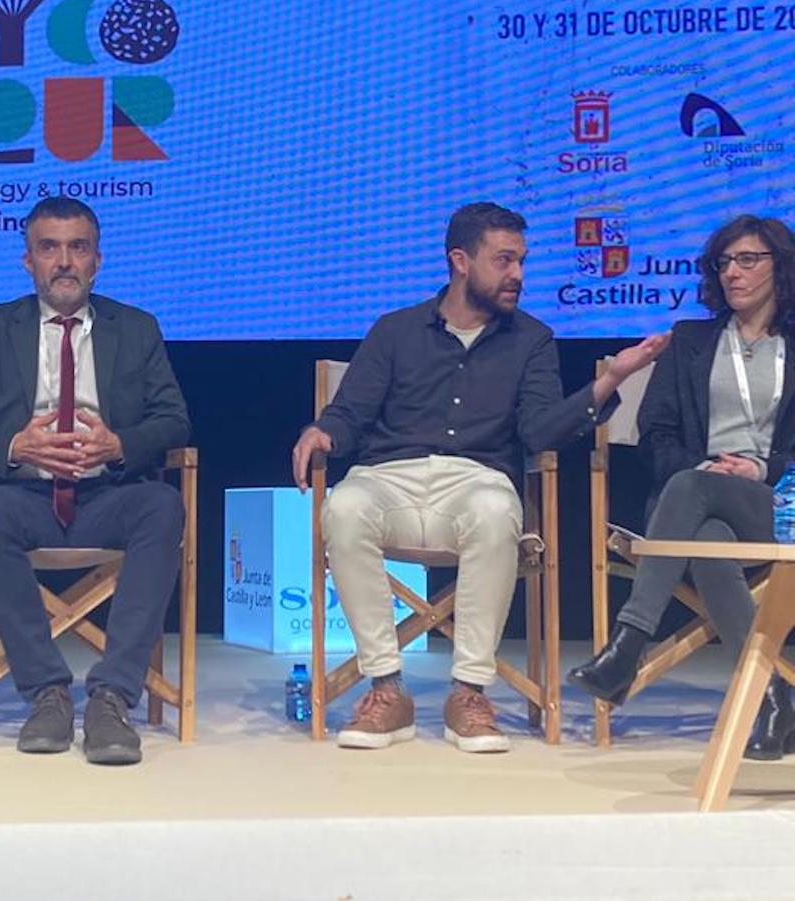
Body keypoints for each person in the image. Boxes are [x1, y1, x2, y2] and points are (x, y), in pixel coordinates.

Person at [291, 202, 665, 753]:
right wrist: (321, 431)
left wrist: (609, 381)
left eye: (522, 261)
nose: (518, 274)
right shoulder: (395, 330)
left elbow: (539, 432)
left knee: (494, 513)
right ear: (460, 261)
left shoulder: (532, 339)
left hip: (476, 481)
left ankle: (468, 692)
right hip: (390, 477)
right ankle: (386, 689)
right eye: (504, 260)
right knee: (343, 508)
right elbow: (350, 413)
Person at [0, 196, 190, 766]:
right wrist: (14, 444)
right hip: (23, 495)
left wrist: (120, 444)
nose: (64, 262)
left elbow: (174, 420)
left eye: (78, 248)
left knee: (164, 505)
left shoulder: (136, 328)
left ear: (98, 260)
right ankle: (46, 691)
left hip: (108, 495)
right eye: (49, 248)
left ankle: (111, 697)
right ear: (28, 261)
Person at [568, 215, 795, 760]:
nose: (732, 273)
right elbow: (657, 433)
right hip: (694, 501)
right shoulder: (692, 340)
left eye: (747, 260)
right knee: (708, 539)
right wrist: (705, 467)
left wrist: (761, 470)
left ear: (780, 268)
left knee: (696, 498)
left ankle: (627, 646)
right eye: (723, 263)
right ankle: (772, 696)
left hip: (777, 501)